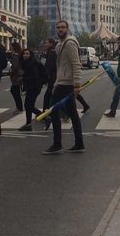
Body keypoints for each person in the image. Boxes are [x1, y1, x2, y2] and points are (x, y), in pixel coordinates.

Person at [43, 20, 84, 154]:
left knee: (54, 110)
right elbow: (60, 67)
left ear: (67, 29)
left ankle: (57, 143)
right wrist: (55, 84)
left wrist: (77, 85)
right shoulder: (59, 45)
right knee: (72, 113)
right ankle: (79, 143)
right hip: (61, 83)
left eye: (63, 27)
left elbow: (76, 64)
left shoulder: (70, 44)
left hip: (67, 84)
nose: (60, 29)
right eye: (58, 27)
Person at [18, 48, 46, 131]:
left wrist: (22, 78)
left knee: (28, 105)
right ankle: (29, 124)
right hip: (32, 87)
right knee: (29, 106)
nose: (25, 55)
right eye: (24, 54)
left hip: (34, 87)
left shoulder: (32, 64)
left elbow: (35, 77)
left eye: (27, 54)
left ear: (31, 55)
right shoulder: (26, 63)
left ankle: (44, 118)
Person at [9, 41, 25, 114]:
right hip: (20, 74)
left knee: (14, 91)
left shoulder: (15, 56)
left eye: (11, 47)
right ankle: (19, 108)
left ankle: (19, 108)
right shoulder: (20, 54)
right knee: (16, 91)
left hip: (16, 75)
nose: (10, 48)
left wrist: (11, 71)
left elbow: (15, 66)